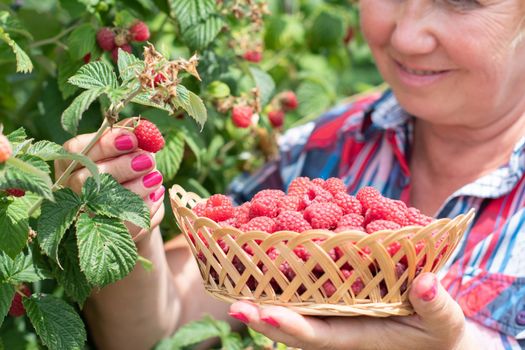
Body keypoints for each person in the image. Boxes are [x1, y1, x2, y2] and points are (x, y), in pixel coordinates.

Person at [57, 0, 525, 349]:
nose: (406, 36)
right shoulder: (322, 149)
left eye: (463, 0)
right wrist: (126, 226)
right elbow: (158, 328)